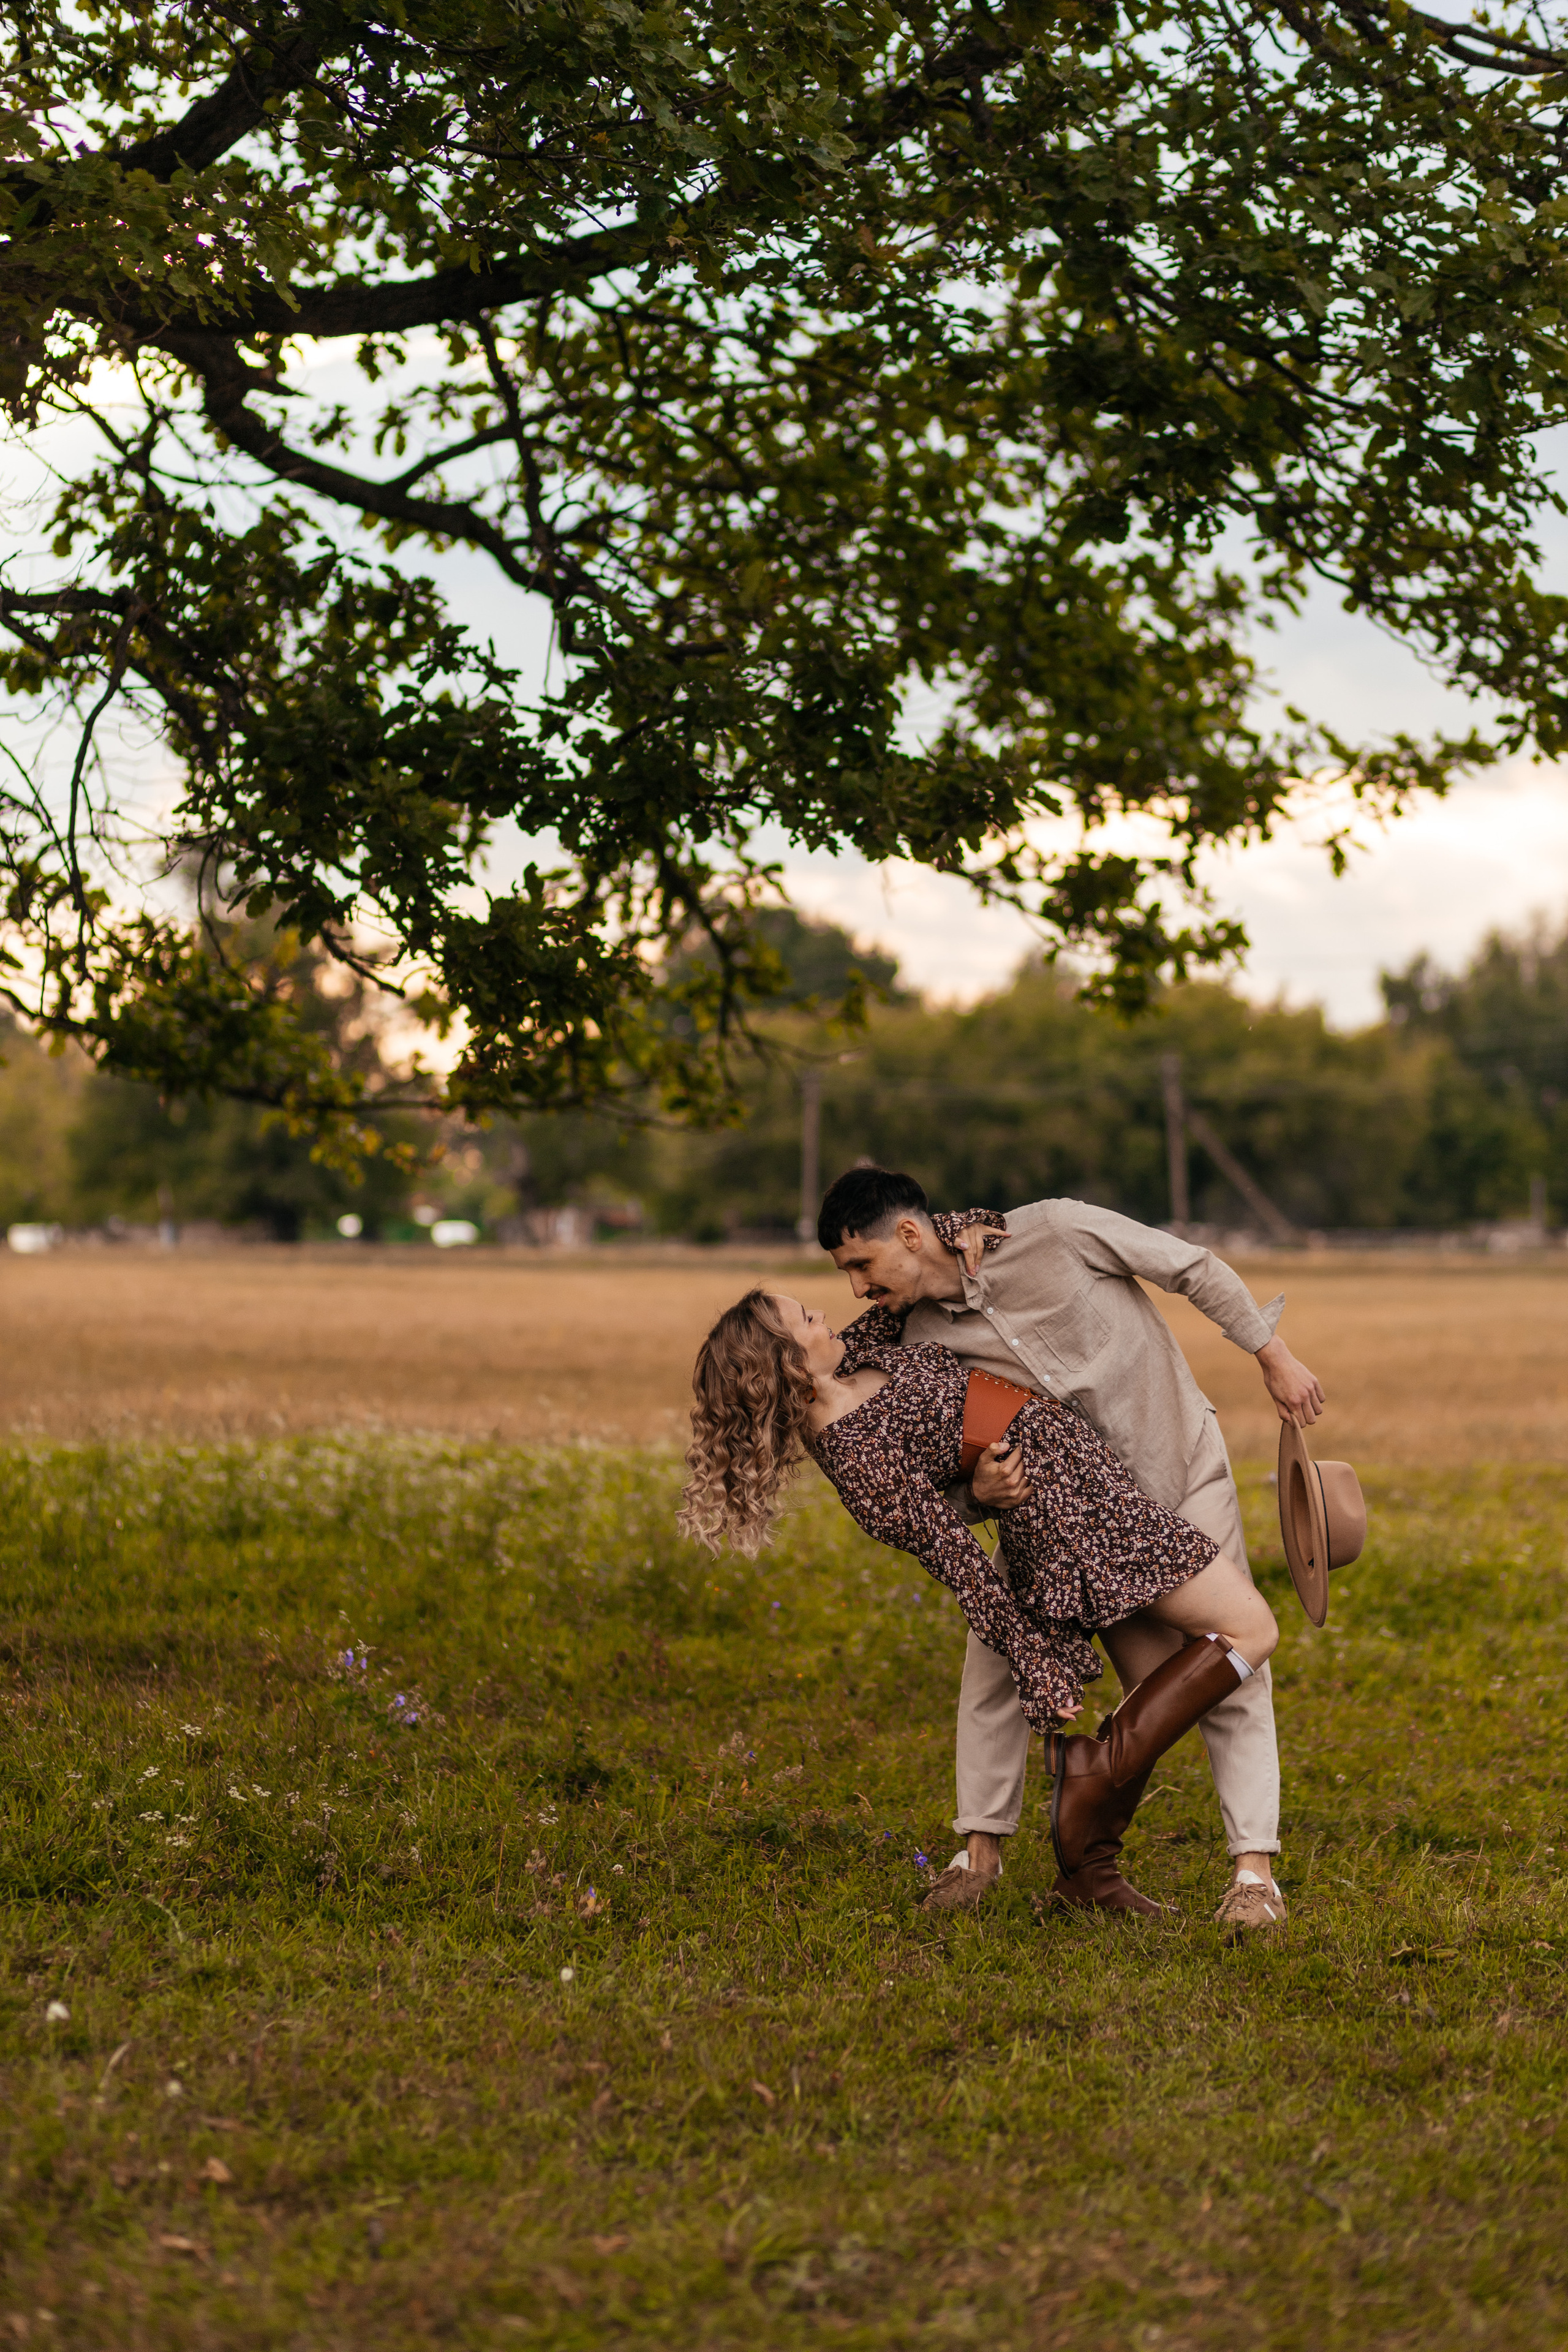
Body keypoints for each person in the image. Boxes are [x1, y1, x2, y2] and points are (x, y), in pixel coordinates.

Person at [816, 1166, 1324, 1938]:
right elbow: (912, 1467)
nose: (856, 1288)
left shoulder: (1050, 1230)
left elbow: (1191, 1267)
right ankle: (976, 1857)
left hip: (1181, 1464)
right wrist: (978, 1498)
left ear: (911, 1234)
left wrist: (1271, 1352)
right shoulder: (912, 1336)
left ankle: (1253, 1876)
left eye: (861, 1264)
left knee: (1232, 1654)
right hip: (1057, 1513)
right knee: (993, 1655)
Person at [679, 1289, 1280, 1913]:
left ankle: (1087, 1873)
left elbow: (901, 1293)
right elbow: (965, 1570)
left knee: (1158, 1685)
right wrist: (1034, 1664)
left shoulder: (851, 1356)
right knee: (1251, 1630)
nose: (823, 1316)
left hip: (1087, 1481)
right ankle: (1090, 1772)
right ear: (788, 1367)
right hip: (1071, 1514)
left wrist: (959, 1229)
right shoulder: (860, 1460)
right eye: (805, 1320)